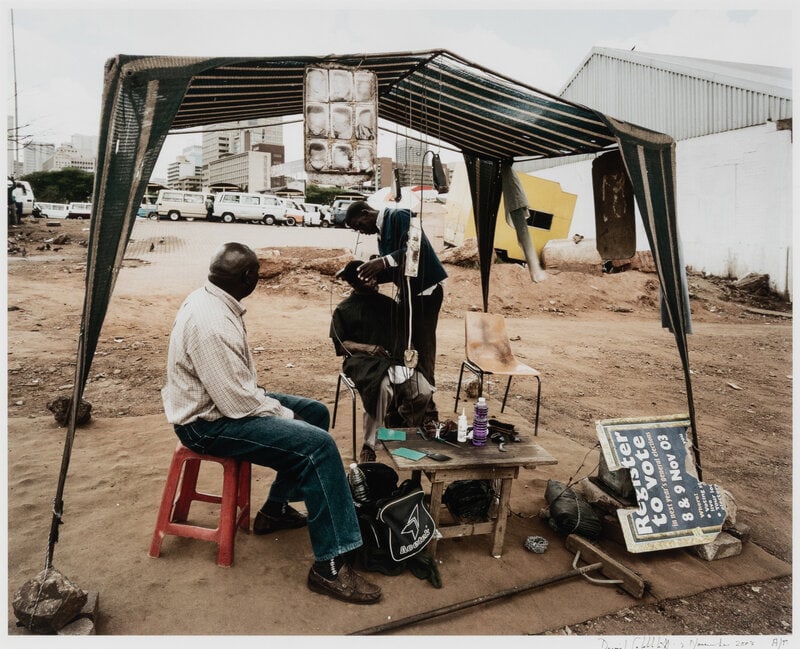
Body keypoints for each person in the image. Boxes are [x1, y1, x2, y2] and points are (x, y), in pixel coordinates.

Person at [161, 242, 381, 605]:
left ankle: (274, 510)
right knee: (318, 446)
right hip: (207, 424)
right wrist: (283, 415)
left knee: (315, 413)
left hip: (222, 404)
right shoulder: (211, 323)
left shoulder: (212, 298)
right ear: (248, 278)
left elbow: (237, 392)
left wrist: (288, 414)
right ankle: (330, 565)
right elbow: (238, 405)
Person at [344, 202, 447, 427]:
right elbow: (396, 268)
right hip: (411, 294)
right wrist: (370, 276)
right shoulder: (383, 233)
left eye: (358, 225)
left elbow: (415, 250)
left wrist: (382, 261)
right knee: (404, 347)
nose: (360, 231)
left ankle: (429, 413)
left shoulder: (398, 216)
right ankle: (410, 405)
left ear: (365, 212)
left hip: (425, 293)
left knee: (422, 348)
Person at [330, 260, 433, 463]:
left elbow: (404, 335)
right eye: (365, 279)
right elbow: (341, 345)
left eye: (372, 276)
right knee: (382, 387)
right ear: (353, 284)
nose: (372, 281)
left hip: (391, 359)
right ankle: (369, 444)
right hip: (362, 362)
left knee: (423, 390)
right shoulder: (344, 309)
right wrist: (368, 348)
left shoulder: (389, 305)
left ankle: (399, 430)